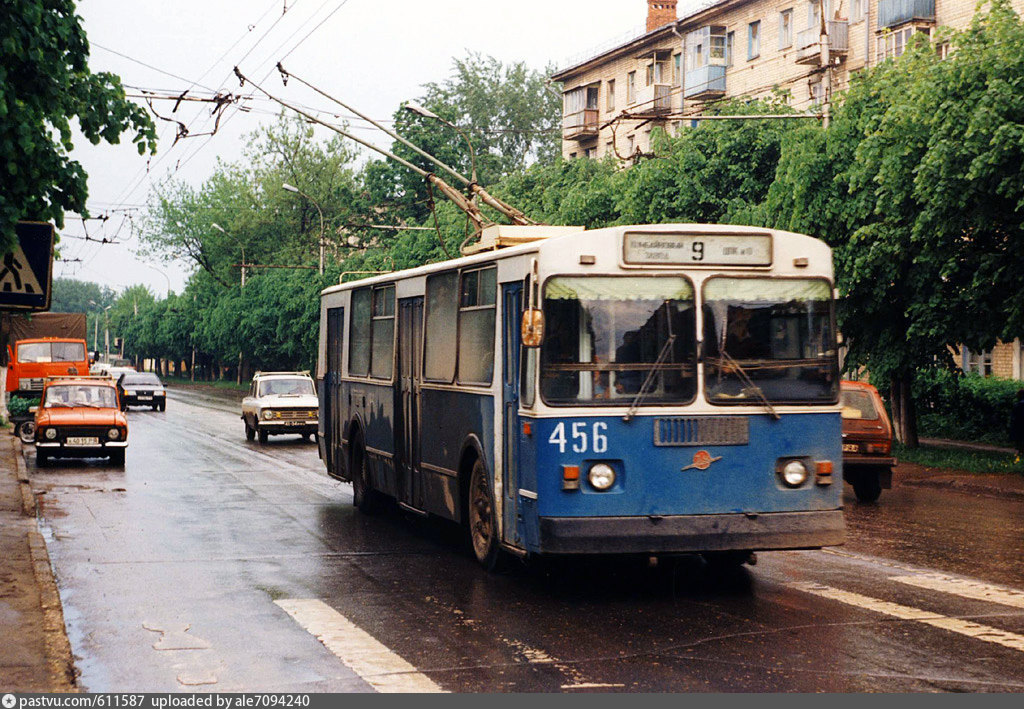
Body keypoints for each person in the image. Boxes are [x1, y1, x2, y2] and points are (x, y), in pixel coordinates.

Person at [1010, 389, 1024, 464]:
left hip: (1019, 425)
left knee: (1019, 440)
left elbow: (1014, 417)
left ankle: (1020, 453)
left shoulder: (1018, 405)